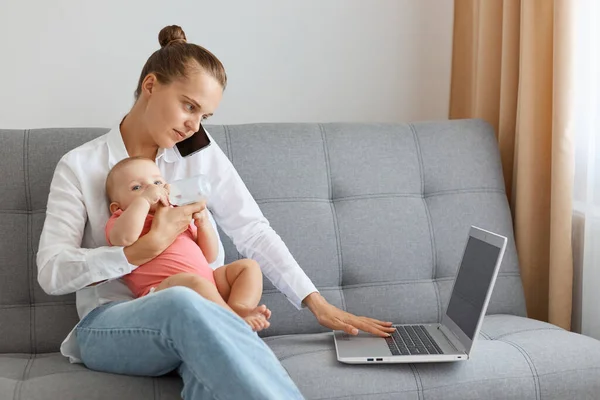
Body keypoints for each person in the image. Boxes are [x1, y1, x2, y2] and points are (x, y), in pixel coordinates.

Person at [36, 24, 395, 400]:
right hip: (111, 323)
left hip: (207, 317)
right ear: (151, 86)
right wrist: (137, 252)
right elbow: (52, 271)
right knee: (184, 302)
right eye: (189, 105)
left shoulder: (197, 152)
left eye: (204, 115)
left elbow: (253, 231)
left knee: (216, 367)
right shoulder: (80, 165)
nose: (194, 124)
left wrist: (316, 303)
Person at [105, 156, 271, 331]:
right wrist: (144, 201)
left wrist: (203, 225)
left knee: (248, 266)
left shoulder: (176, 215)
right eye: (137, 187)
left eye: (158, 182)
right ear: (117, 208)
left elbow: (209, 256)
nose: (152, 189)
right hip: (164, 292)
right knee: (190, 280)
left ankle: (239, 309)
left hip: (208, 285)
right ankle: (232, 321)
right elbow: (124, 238)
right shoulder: (121, 219)